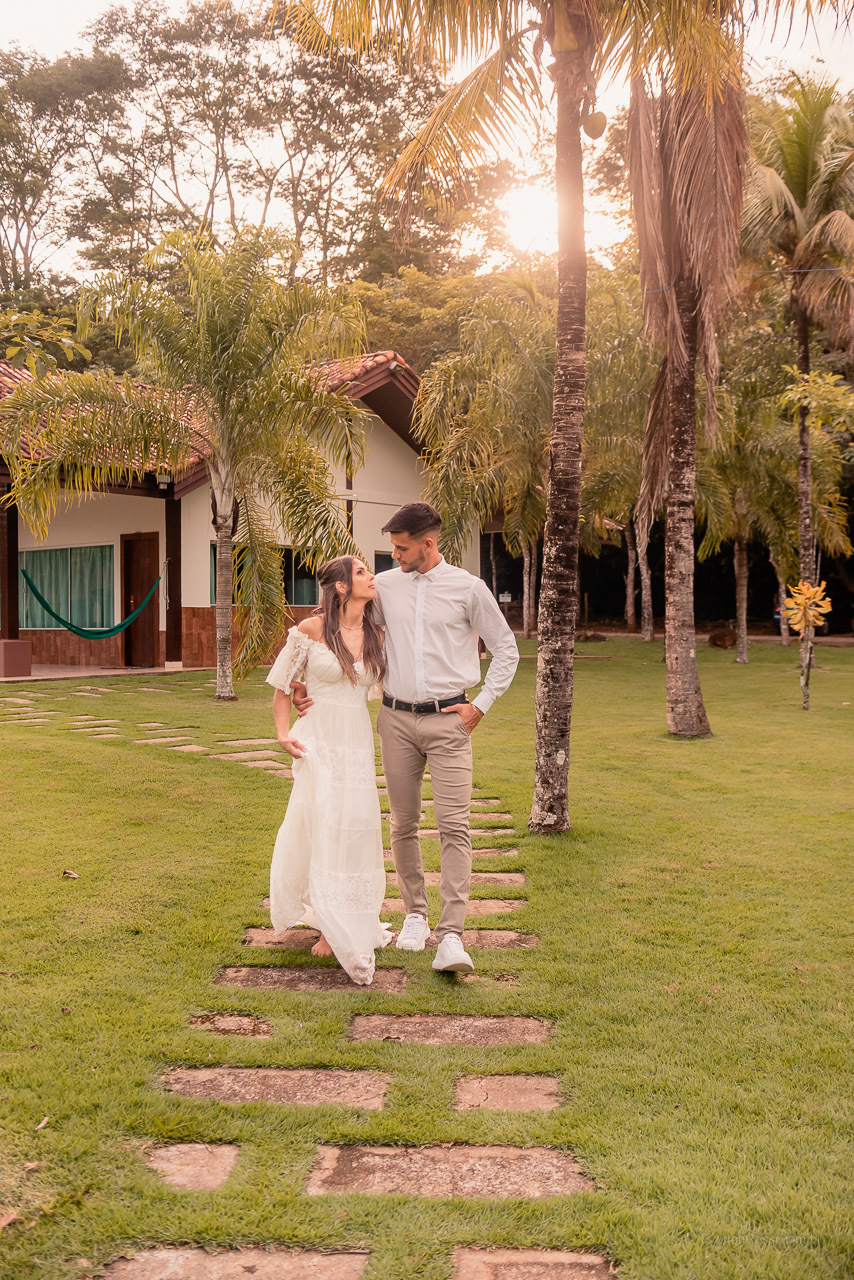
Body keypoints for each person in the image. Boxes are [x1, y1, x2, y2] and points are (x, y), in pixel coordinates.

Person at [293, 502, 519, 975]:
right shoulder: (385, 586)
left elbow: (506, 650)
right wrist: (302, 680)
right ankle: (415, 914)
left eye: (401, 548)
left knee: (454, 825)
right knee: (402, 824)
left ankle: (451, 934)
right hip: (394, 720)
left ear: (427, 544)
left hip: (450, 721)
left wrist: (480, 705)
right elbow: (340, 623)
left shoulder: (469, 588)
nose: (393, 556)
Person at [266, 556, 391, 986]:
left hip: (356, 741)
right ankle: (324, 921)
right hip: (318, 739)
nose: (370, 577)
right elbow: (283, 684)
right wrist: (283, 734)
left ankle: (353, 913)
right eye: (361, 572)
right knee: (323, 823)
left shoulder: (376, 635)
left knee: (354, 825)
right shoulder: (311, 629)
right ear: (340, 586)